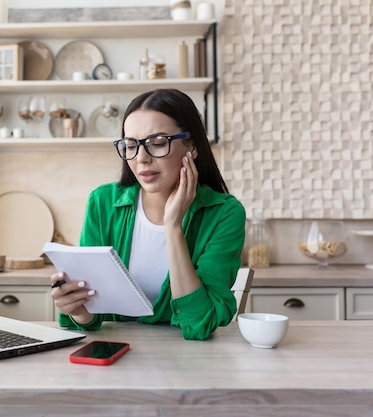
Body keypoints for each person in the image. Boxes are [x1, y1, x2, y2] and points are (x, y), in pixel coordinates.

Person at [50, 89, 246, 340]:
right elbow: (93, 314)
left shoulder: (224, 213)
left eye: (158, 143)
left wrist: (173, 225)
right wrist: (78, 309)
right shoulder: (103, 202)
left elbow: (200, 322)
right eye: (131, 145)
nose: (141, 158)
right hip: (114, 357)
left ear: (192, 146)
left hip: (191, 365)